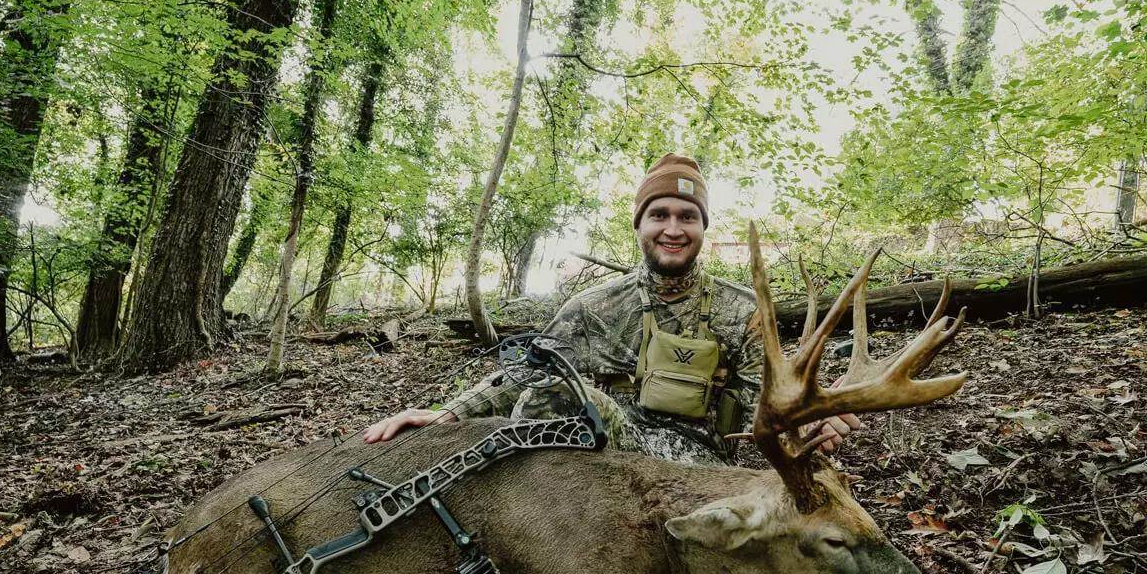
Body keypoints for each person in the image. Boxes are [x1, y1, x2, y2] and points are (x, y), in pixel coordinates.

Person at [364, 153, 858, 463]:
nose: (673, 228)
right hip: (603, 463)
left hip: (698, 467)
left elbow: (761, 402)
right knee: (552, 393)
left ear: (703, 228)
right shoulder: (594, 305)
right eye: (658, 214)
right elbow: (525, 375)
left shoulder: (744, 309)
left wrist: (806, 421)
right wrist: (444, 414)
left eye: (688, 216)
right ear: (640, 226)